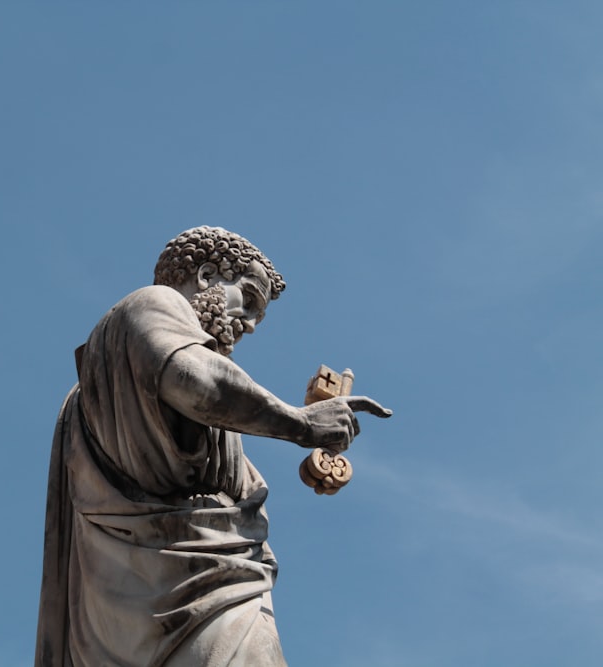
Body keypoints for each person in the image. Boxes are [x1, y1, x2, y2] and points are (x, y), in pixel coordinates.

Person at [35, 226, 391, 666]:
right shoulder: (152, 305)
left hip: (121, 617)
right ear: (206, 275)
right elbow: (194, 379)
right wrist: (300, 423)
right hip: (208, 599)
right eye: (250, 299)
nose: (252, 325)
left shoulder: (89, 396)